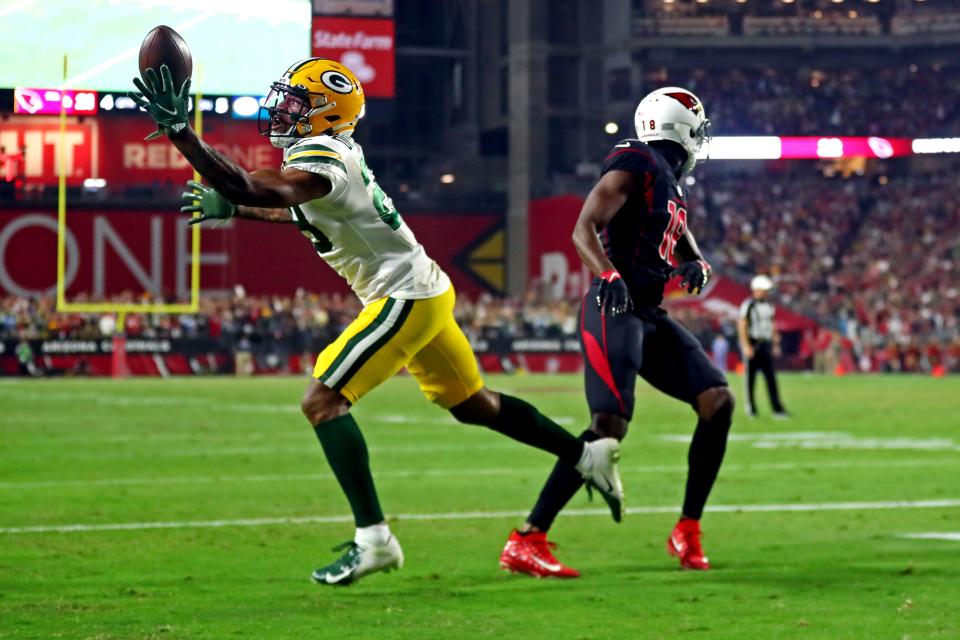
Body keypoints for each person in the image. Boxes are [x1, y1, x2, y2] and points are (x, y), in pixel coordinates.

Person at [129, 59, 623, 586]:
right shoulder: (326, 154)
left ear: (328, 115)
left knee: (322, 401)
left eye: (298, 103)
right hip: (423, 287)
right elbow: (295, 206)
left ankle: (374, 540)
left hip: (403, 295)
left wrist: (183, 133)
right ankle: (584, 454)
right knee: (475, 405)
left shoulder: (324, 156)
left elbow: (264, 189)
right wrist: (238, 210)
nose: (283, 110)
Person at [499, 87, 735, 577]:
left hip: (648, 313)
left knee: (717, 399)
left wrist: (692, 258)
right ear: (681, 127)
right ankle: (528, 537)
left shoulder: (666, 178)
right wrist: (608, 274)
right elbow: (583, 228)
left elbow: (676, 225)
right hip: (615, 307)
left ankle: (687, 529)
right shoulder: (637, 159)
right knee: (607, 427)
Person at [737, 275, 788, 418]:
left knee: (771, 378)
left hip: (765, 344)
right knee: (750, 379)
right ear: (756, 290)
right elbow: (742, 325)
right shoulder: (748, 305)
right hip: (753, 343)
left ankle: (777, 408)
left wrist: (775, 343)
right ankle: (751, 409)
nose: (765, 293)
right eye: (763, 290)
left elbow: (772, 325)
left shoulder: (769, 305)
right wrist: (746, 345)